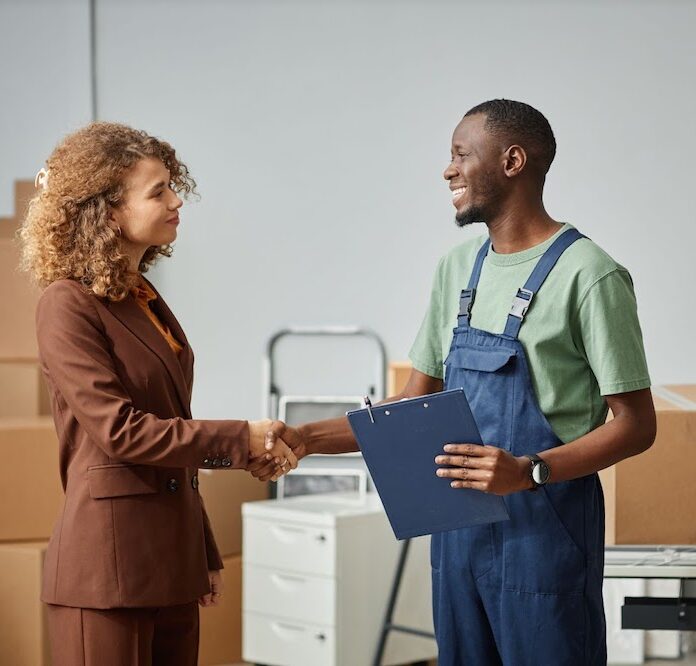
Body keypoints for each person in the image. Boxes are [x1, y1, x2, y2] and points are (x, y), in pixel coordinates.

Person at [252, 99, 657, 665]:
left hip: (546, 536)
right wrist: (307, 439)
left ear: (513, 160)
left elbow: (637, 426)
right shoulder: (457, 269)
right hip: (458, 535)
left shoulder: (590, 275)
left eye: (460, 155)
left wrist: (529, 470)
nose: (448, 170)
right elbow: (411, 404)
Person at [19, 122, 295, 666]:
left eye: (174, 186)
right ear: (110, 211)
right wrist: (244, 438)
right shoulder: (66, 304)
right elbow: (119, 432)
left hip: (171, 563)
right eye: (159, 191)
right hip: (107, 570)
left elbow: (173, 431)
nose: (176, 201)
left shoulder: (139, 295)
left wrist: (201, 551)